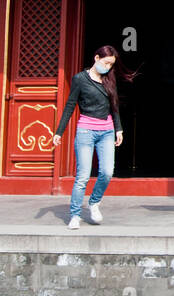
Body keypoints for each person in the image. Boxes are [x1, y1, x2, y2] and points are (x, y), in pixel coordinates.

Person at [52, 45, 134, 229]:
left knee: (106, 172)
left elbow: (114, 106)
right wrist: (59, 131)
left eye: (111, 65)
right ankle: (75, 215)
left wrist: (118, 129)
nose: (108, 67)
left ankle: (94, 202)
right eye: (106, 63)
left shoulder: (109, 79)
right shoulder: (80, 79)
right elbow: (70, 105)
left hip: (106, 131)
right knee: (82, 176)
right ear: (96, 58)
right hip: (86, 132)